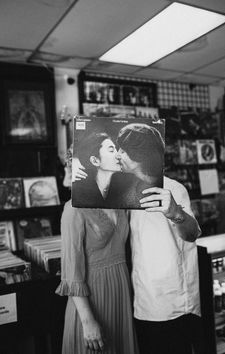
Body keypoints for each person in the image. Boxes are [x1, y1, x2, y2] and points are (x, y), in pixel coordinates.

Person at [74, 122, 204, 354]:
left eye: (124, 150)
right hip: (134, 299)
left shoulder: (174, 188)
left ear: (141, 156)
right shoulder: (118, 193)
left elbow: (192, 234)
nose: (119, 154)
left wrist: (175, 213)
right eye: (117, 148)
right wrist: (78, 172)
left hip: (172, 303)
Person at [56, 138, 139, 354]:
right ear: (94, 160)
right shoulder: (74, 208)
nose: (119, 154)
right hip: (92, 300)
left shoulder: (120, 202)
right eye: (112, 149)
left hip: (120, 293)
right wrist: (88, 321)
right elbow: (71, 271)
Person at [73, 123, 164, 209]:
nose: (117, 155)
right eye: (112, 150)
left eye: (121, 151)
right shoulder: (80, 190)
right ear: (95, 161)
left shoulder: (131, 184)